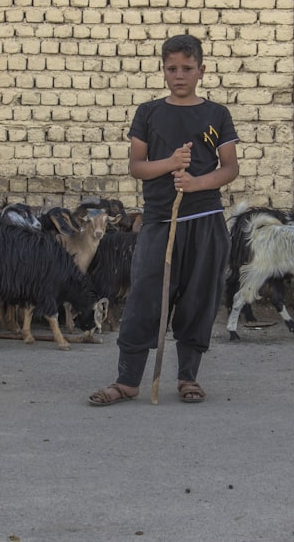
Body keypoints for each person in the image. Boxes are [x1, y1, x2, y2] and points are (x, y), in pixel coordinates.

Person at [88, 34, 239, 405]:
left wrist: (195, 182)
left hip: (205, 220)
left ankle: (188, 377)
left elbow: (230, 168)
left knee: (198, 299)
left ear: (201, 71)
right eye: (172, 68)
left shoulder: (216, 114)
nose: (179, 75)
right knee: (145, 297)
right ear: (163, 71)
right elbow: (137, 166)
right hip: (159, 222)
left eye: (187, 68)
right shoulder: (149, 113)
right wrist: (171, 164)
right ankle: (127, 381)